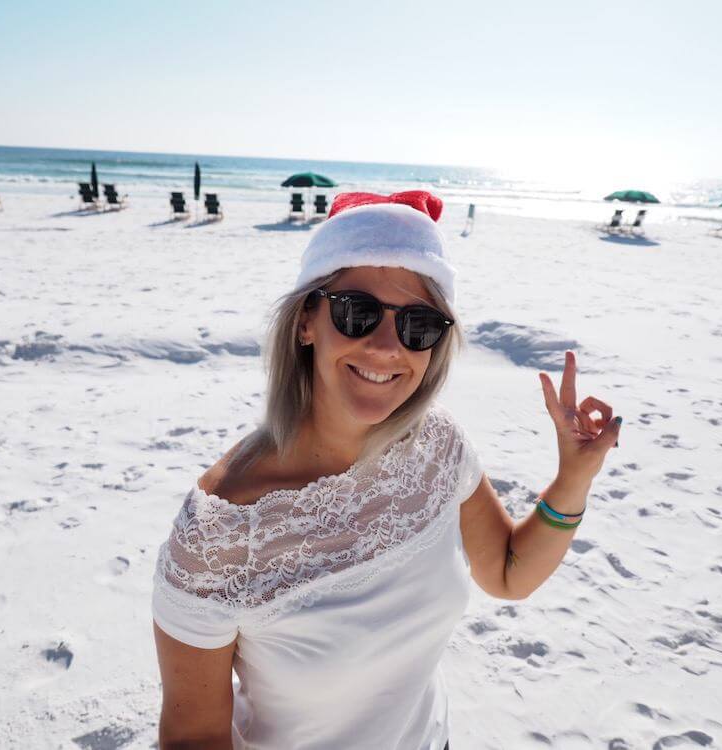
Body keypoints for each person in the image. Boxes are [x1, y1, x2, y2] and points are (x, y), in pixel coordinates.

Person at [151, 190, 622, 749]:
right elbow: (194, 736)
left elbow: (508, 571)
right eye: (357, 312)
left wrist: (573, 478)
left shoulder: (435, 443)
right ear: (306, 321)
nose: (385, 347)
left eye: (418, 325)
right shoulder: (217, 535)